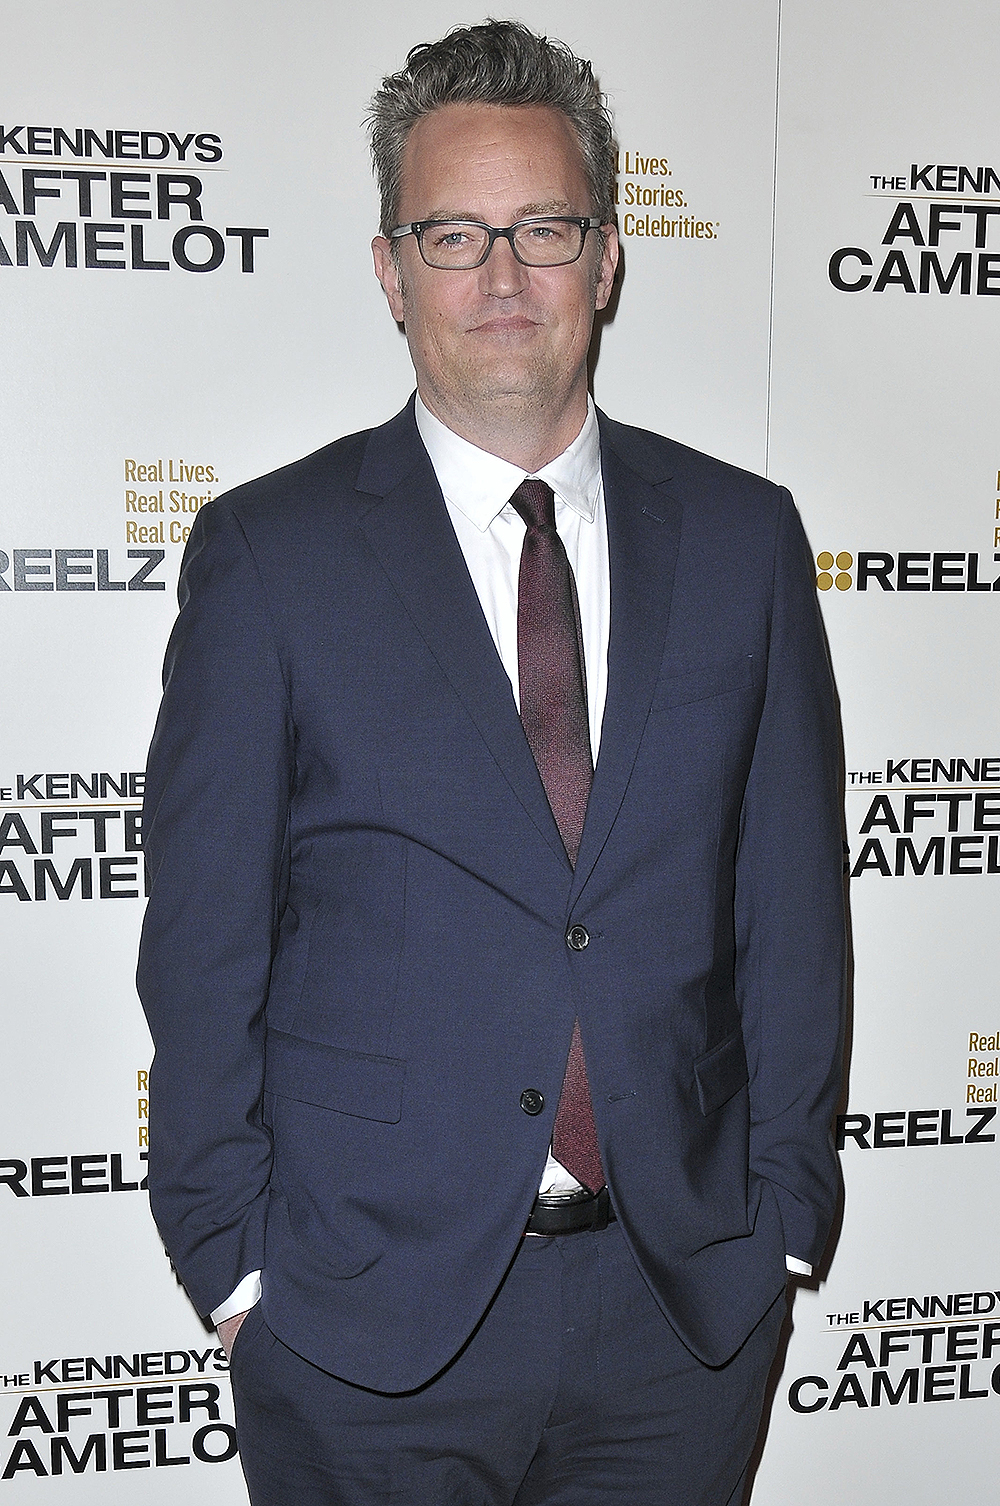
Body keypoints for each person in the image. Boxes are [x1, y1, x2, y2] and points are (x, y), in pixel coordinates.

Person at [137, 19, 845, 1506]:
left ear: (607, 256)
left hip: (682, 1322)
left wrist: (781, 1226)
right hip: (354, 1322)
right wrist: (235, 1267)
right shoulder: (271, 554)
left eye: (543, 227)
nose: (504, 277)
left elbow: (792, 913)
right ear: (391, 271)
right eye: (455, 233)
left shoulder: (746, 542)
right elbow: (201, 946)